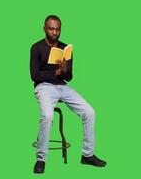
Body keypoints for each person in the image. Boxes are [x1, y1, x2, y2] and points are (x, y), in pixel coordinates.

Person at [30, 15, 106, 174]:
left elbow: (69, 77)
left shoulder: (65, 48)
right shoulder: (36, 47)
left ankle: (87, 155)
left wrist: (65, 70)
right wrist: (55, 73)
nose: (54, 32)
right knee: (47, 116)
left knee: (89, 112)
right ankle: (41, 159)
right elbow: (35, 76)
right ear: (45, 29)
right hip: (44, 87)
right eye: (51, 28)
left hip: (62, 86)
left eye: (57, 29)